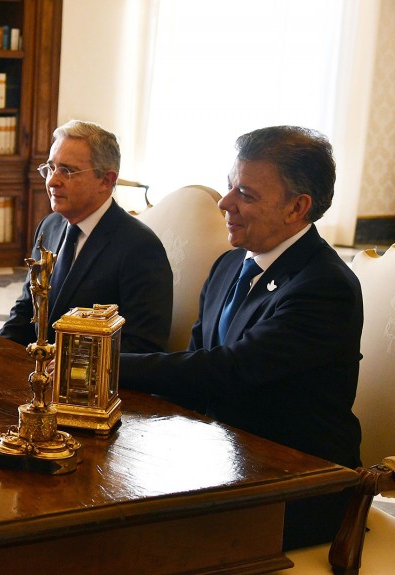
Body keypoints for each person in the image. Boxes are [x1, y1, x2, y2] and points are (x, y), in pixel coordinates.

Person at [118, 126, 363, 550]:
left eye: (245, 194)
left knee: (130, 540)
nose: (225, 203)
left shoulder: (324, 287)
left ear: (297, 207)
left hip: (293, 487)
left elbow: (228, 370)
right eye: (229, 185)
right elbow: (197, 367)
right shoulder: (230, 266)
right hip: (220, 461)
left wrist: (108, 362)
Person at [0, 120, 173, 353]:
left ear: (106, 180)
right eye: (50, 168)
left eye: (67, 171)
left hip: (87, 384)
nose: (52, 181)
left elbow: (142, 346)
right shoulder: (49, 226)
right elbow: (27, 309)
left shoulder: (140, 247)